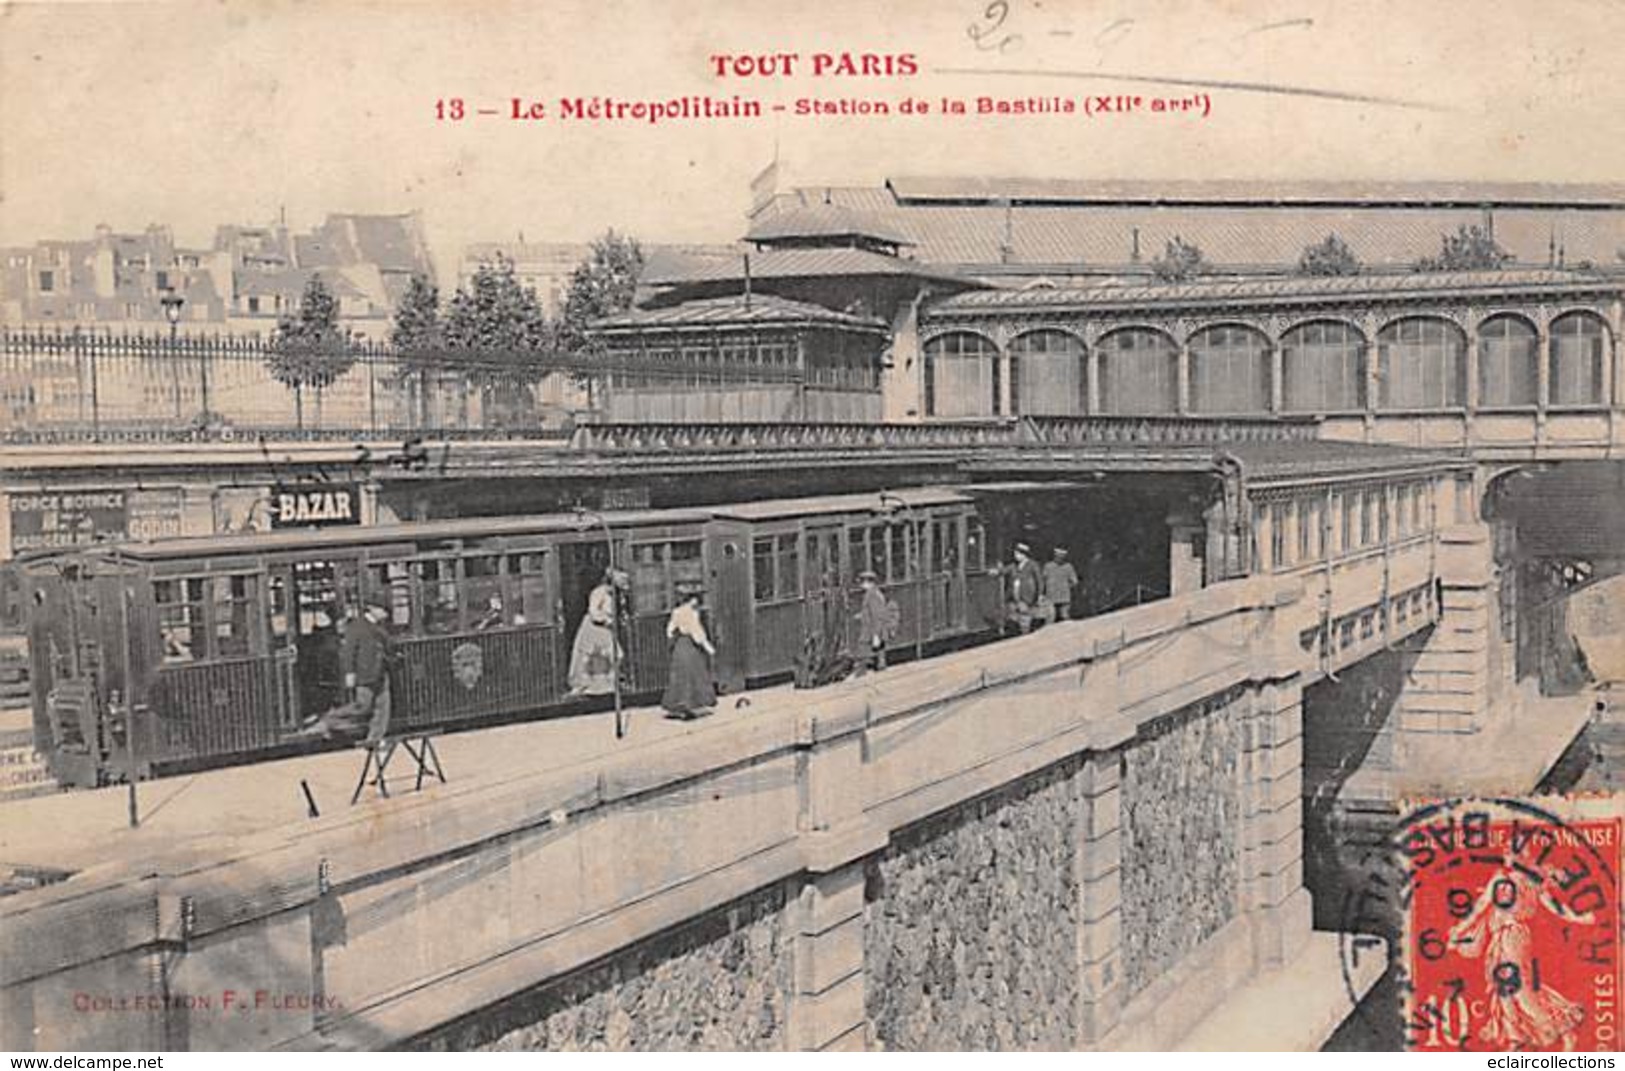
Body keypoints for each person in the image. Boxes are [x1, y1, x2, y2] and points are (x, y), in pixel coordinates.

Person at [1448, 856, 1597, 1050]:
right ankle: (1515, 1039)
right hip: (1500, 939)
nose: (1508, 855)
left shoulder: (1529, 882)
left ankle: (1562, 1030)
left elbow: (1556, 908)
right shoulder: (1506, 879)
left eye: (1515, 851)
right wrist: (1459, 931)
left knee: (1520, 991)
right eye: (1508, 851)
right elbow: (1480, 907)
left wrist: (1582, 918)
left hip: (1513, 938)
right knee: (1503, 990)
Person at [292, 602, 393, 743]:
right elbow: (348, 652)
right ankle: (328, 720)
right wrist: (350, 673)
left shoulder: (379, 627)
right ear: (372, 609)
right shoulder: (357, 627)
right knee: (362, 706)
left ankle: (374, 740)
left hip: (381, 672)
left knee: (383, 709)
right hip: (365, 673)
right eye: (383, 609)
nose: (386, 613)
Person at [662, 582, 716, 720]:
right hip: (690, 646)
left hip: (679, 646)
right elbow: (696, 632)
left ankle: (677, 706)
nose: (698, 601)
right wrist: (708, 647)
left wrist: (675, 639)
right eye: (696, 598)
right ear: (692, 599)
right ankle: (691, 707)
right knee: (694, 674)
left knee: (679, 676)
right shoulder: (692, 613)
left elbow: (669, 630)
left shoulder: (676, 612)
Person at [568, 569, 626, 696]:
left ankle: (608, 684)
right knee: (591, 656)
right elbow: (593, 610)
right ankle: (587, 686)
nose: (624, 582)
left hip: (606, 627)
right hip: (594, 627)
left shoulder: (616, 593)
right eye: (621, 579)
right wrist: (606, 619)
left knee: (614, 655)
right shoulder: (599, 592)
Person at [854, 570, 891, 675]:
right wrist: (861, 615)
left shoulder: (872, 595)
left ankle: (860, 675)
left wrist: (876, 635)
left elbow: (877, 616)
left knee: (863, 652)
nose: (861, 585)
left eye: (862, 582)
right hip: (874, 630)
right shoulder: (873, 593)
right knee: (880, 655)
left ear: (869, 583)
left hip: (871, 630)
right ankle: (880, 671)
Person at [1008, 542, 1042, 634]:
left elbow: (1039, 581)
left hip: (1027, 595)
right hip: (1015, 595)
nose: (1015, 556)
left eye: (1017, 554)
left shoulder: (1033, 565)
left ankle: (1025, 634)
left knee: (1025, 615)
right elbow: (1004, 570)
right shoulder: (1014, 565)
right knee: (1015, 615)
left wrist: (1039, 595)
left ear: (1024, 555)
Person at [1041, 546, 1080, 623]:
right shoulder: (1048, 566)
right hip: (1051, 596)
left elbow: (1074, 581)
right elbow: (1043, 580)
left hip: (1062, 596)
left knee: (1064, 616)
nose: (1059, 558)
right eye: (1058, 556)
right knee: (1050, 617)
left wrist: (1066, 587)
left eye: (1061, 556)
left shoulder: (1068, 567)